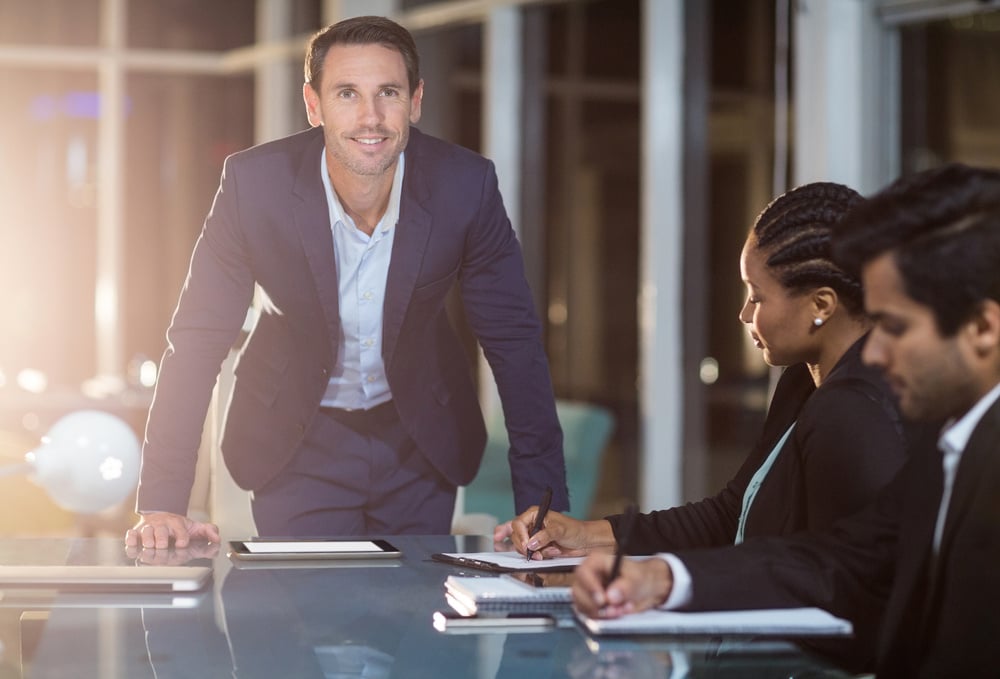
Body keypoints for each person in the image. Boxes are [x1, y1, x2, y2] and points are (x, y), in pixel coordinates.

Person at [126, 15, 568, 548]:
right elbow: (197, 340)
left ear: (417, 100)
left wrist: (546, 510)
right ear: (314, 106)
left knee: (413, 620)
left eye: (389, 92)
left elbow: (514, 343)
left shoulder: (465, 187)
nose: (371, 117)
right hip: (296, 437)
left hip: (419, 439)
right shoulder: (254, 186)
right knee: (303, 617)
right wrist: (163, 501)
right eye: (347, 94)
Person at [572, 163, 1000, 678]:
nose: (876, 353)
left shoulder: (888, 418)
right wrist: (662, 577)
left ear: (981, 328)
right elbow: (838, 560)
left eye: (894, 327)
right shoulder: (950, 441)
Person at [499, 182, 908, 560]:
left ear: (821, 305)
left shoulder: (855, 412)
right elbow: (732, 515)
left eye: (757, 297)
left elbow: (833, 578)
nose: (744, 314)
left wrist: (665, 583)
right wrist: (587, 535)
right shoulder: (803, 382)